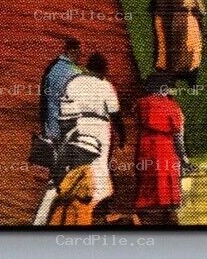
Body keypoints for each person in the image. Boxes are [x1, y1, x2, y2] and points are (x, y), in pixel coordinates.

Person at [58, 53, 124, 220]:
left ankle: (78, 206)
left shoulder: (73, 82)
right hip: (100, 128)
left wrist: (66, 134)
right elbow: (115, 115)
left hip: (77, 126)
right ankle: (99, 208)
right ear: (102, 69)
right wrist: (123, 135)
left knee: (78, 164)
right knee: (100, 165)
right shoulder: (105, 85)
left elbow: (64, 112)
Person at [132, 74, 191, 225]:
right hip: (165, 147)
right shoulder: (172, 106)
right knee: (167, 180)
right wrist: (183, 157)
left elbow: (136, 124)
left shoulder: (140, 103)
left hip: (145, 146)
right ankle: (168, 215)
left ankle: (145, 215)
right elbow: (178, 134)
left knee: (147, 178)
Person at [153, 0, 205, 84]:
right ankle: (182, 74)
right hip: (184, 20)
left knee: (188, 48)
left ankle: (185, 74)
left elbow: (159, 6)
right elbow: (201, 9)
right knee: (185, 48)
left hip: (184, 20)